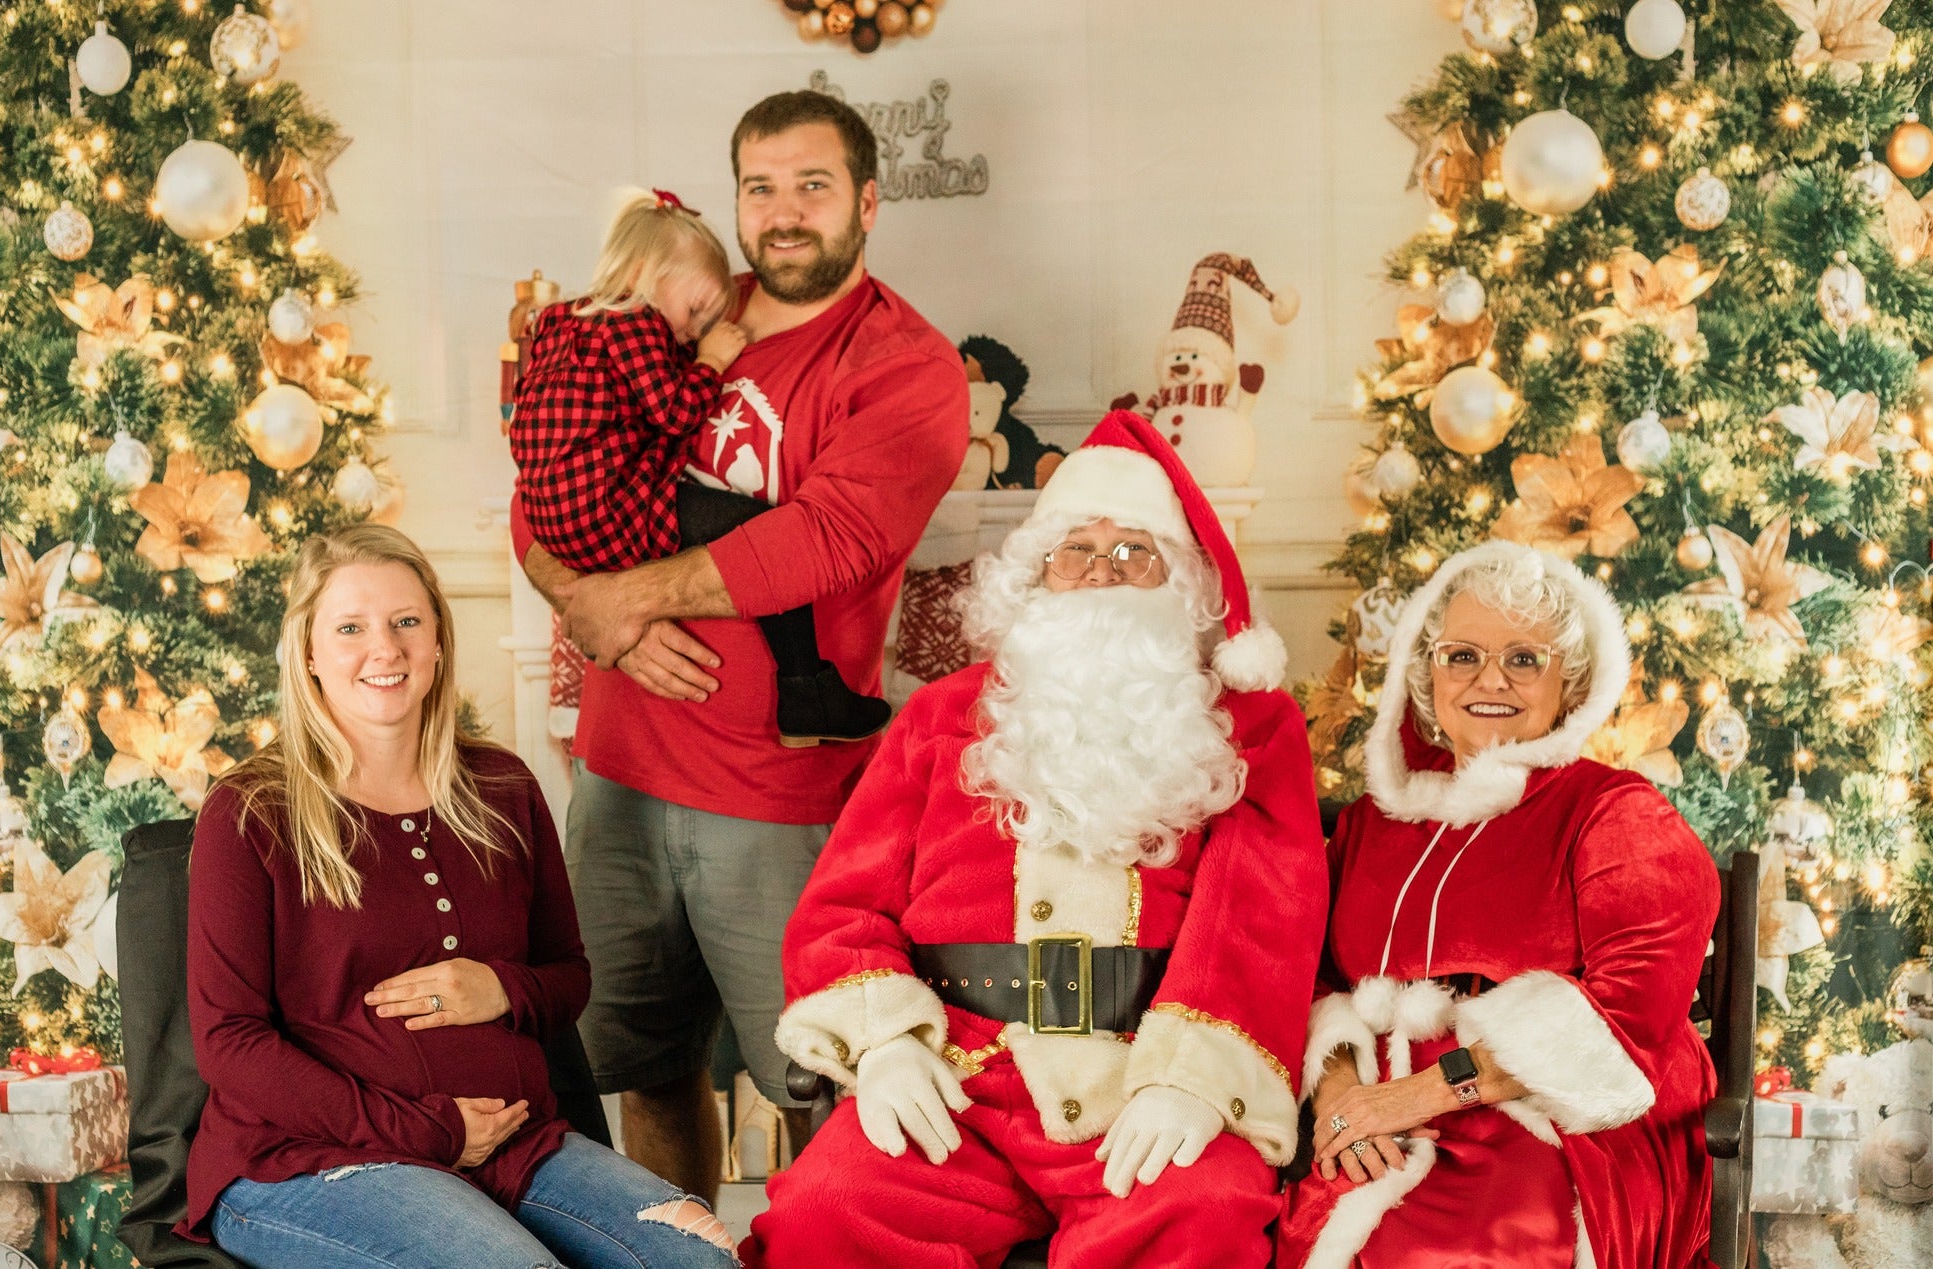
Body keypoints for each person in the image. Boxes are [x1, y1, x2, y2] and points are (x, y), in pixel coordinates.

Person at [511, 89, 970, 1201]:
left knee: (824, 1092)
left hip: (780, 798)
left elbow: (828, 539)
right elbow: (547, 479)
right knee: (647, 1073)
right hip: (618, 782)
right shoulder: (674, 312)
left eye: (812, 185)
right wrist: (591, 609)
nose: (783, 213)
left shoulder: (906, 367)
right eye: (759, 187)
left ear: (866, 200)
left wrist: (631, 599)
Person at [742, 412, 1328, 1267]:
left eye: (1135, 553)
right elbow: (846, 899)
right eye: (1076, 552)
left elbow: (1263, 917)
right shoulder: (945, 713)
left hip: (1143, 1080)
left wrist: (1196, 1079)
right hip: (961, 1081)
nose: (1101, 574)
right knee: (825, 1212)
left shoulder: (1250, 726)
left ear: (1186, 586)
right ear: (1037, 577)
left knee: (1202, 1215)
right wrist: (884, 1045)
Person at [180, 525, 737, 1269]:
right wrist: (427, 1129)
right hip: (306, 1160)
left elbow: (568, 975)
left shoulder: (502, 787)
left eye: (406, 621)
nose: (385, 648)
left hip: (516, 1146)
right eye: (350, 628)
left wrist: (499, 986)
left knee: (699, 1256)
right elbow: (231, 1043)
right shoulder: (251, 811)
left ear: (438, 638)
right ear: (309, 652)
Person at [1276, 541, 1717, 1269]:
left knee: (1456, 1249)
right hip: (1382, 1116)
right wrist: (1341, 1094)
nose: (1490, 679)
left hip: (1558, 1124)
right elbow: (1316, 981)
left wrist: (1418, 1096)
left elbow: (1624, 1017)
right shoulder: (1370, 824)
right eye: (1463, 656)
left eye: (1523, 659)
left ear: (1570, 685)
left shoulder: (1616, 813)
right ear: (1426, 675)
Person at [510, 186, 889, 746]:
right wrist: (711, 360)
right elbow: (674, 409)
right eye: (693, 314)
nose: (687, 336)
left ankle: (807, 694)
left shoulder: (557, 323)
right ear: (643, 271)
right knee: (762, 535)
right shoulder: (633, 323)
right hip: (611, 511)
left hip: (557, 518)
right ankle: (806, 691)